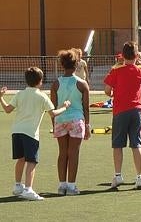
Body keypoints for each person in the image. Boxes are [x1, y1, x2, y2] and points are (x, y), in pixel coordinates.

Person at [0, 67, 71, 201]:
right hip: (31, 133)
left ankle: (17, 186)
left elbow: (8, 109)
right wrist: (65, 107)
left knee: (21, 159)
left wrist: (1, 98)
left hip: (16, 131)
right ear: (40, 81)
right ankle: (28, 189)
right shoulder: (42, 96)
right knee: (31, 161)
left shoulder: (20, 94)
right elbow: (53, 113)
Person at [103, 41, 141, 190]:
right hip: (136, 110)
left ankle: (118, 175)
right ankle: (140, 177)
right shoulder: (140, 70)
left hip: (120, 110)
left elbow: (107, 91)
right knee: (137, 144)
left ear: (123, 55)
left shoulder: (116, 71)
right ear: (136, 55)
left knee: (117, 145)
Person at [50, 49, 90, 196]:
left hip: (60, 119)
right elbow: (86, 107)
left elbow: (53, 107)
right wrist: (87, 125)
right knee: (74, 153)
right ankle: (72, 187)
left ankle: (62, 186)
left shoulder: (55, 84)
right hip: (76, 120)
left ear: (62, 64)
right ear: (76, 64)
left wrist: (53, 123)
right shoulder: (82, 84)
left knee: (62, 153)